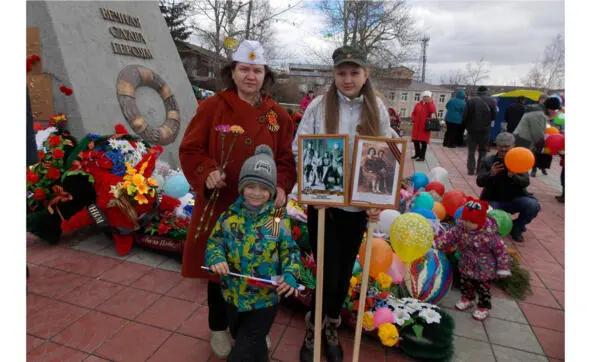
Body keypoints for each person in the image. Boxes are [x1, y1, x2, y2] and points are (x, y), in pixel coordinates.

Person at [179, 39, 297, 358]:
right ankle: (219, 327)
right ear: (232, 72)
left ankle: (252, 331)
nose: (250, 76)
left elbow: (286, 160)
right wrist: (206, 172)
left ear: (265, 75)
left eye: (257, 70)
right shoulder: (212, 108)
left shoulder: (279, 116)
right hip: (221, 207)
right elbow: (190, 149)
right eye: (244, 69)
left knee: (261, 269)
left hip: (262, 212)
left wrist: (283, 186)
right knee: (220, 272)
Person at [292, 45, 389, 362]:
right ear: (333, 74)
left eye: (354, 72)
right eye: (342, 73)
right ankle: (314, 329)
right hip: (324, 207)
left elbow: (386, 156)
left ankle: (331, 324)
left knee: (345, 270)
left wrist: (377, 200)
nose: (348, 79)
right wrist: (313, 187)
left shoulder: (378, 110)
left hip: (357, 209)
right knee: (327, 273)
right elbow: (299, 147)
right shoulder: (319, 107)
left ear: (366, 74)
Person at [206, 145, 301, 362]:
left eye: (263, 188)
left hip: (264, 300)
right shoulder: (229, 217)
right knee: (249, 342)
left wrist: (290, 274)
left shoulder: (276, 220)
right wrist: (216, 258)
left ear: (271, 191)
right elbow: (215, 242)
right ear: (242, 187)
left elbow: (289, 251)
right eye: (250, 186)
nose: (256, 193)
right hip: (232, 295)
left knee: (242, 349)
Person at [436, 197, 511, 321]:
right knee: (466, 283)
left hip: (485, 269)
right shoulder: (461, 228)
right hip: (466, 264)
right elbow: (449, 237)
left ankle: (483, 307)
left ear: (481, 221)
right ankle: (467, 299)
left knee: (483, 289)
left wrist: (503, 268)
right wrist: (439, 244)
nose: (467, 223)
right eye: (465, 220)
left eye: (471, 221)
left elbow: (501, 251)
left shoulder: (490, 234)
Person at [476, 132, 541, 242]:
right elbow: (479, 182)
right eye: (501, 146)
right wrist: (491, 174)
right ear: (496, 146)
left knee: (533, 205)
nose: (504, 149)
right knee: (489, 221)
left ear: (513, 146)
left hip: (515, 198)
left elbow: (525, 182)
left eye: (507, 146)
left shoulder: (520, 160)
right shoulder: (488, 161)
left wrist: (513, 176)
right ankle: (497, 229)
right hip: (493, 199)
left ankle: (517, 227)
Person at [514, 97, 561, 177]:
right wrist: (544, 145)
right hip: (523, 141)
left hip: (522, 139)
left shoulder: (537, 111)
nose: (554, 112)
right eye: (554, 110)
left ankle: (519, 184)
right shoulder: (538, 114)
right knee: (520, 165)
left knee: (520, 164)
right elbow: (537, 133)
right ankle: (518, 184)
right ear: (550, 108)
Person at [463, 86, 497, 175]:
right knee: (483, 151)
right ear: (486, 91)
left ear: (478, 91)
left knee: (471, 151)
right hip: (485, 130)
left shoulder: (471, 100)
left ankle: (470, 170)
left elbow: (465, 116)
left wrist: (467, 126)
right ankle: (480, 170)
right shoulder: (492, 101)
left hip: (472, 130)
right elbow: (494, 116)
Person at [411, 91, 437, 161]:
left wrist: (430, 102)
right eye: (424, 96)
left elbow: (432, 110)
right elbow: (413, 113)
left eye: (427, 97)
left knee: (423, 142)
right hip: (417, 126)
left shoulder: (431, 104)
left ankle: (422, 157)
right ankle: (417, 154)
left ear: (430, 97)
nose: (425, 98)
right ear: (422, 97)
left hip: (425, 126)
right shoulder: (418, 104)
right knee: (415, 141)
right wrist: (413, 119)